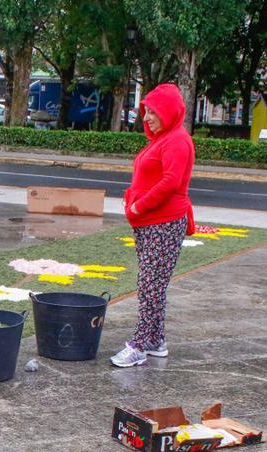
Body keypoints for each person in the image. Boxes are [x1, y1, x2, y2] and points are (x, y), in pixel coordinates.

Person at [111, 83, 196, 368]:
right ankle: (156, 341)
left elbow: (171, 182)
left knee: (150, 286)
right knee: (153, 285)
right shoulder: (163, 139)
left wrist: (139, 205)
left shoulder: (177, 140)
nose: (146, 118)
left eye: (152, 112)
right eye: (145, 112)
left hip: (163, 223)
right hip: (149, 224)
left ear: (168, 112)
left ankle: (139, 346)